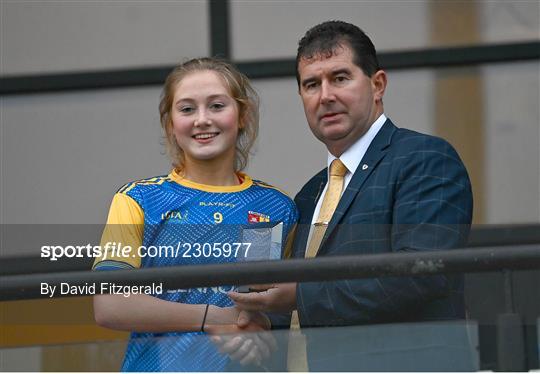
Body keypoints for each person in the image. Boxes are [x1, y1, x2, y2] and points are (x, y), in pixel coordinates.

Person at [227, 20, 474, 370]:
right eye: (311, 84)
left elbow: (423, 273)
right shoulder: (310, 194)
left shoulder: (424, 158)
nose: (325, 95)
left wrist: (298, 296)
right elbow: (299, 307)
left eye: (340, 78)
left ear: (378, 85)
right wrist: (262, 325)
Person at [92, 57, 298, 371]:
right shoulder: (138, 199)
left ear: (242, 115)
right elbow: (109, 304)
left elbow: (280, 306)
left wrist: (262, 325)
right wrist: (213, 319)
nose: (202, 120)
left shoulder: (276, 207)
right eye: (187, 109)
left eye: (217, 106)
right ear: (170, 124)